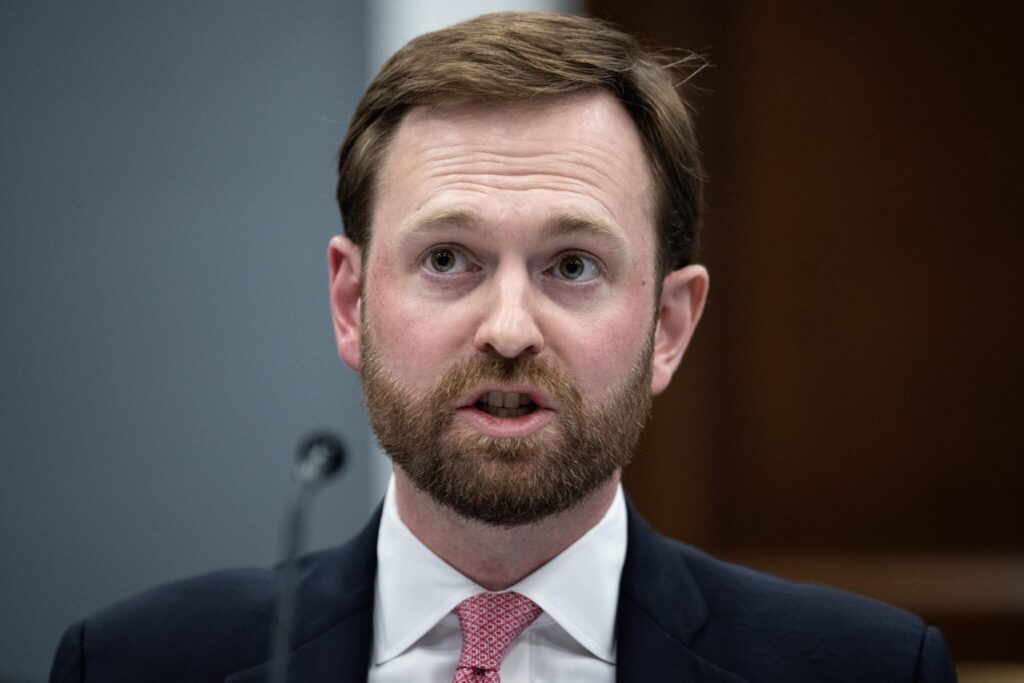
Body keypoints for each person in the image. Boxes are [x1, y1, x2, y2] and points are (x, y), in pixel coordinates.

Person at [50, 12, 957, 682]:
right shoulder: (132, 662)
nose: (510, 328)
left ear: (669, 327)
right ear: (351, 301)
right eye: (449, 259)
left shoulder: (869, 669)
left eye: (572, 264)